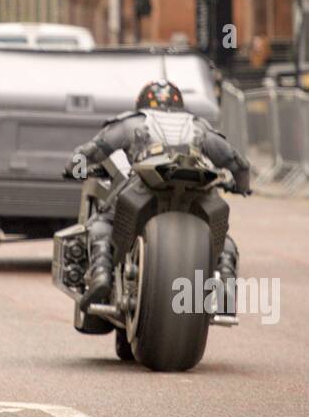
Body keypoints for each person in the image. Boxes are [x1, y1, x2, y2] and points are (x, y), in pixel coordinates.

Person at [68, 80, 251, 312]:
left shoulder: (131, 122)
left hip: (144, 186)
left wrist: (72, 168)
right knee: (222, 237)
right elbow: (237, 163)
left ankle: (101, 275)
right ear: (179, 104)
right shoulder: (199, 126)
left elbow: (91, 151)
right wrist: (241, 186)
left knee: (102, 224)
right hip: (196, 190)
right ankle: (226, 284)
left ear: (141, 103)